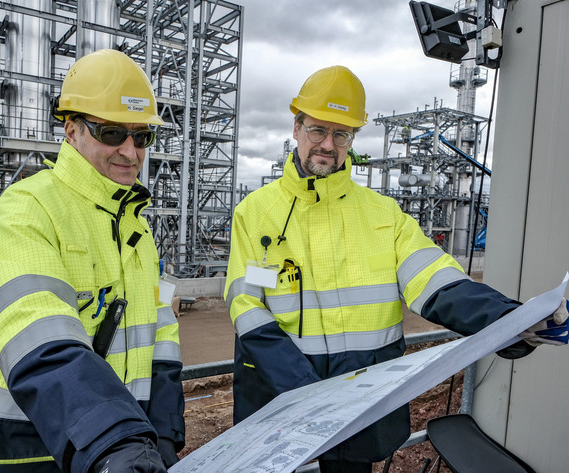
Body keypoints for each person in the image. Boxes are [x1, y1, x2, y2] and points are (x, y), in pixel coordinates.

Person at [223, 65, 569, 473]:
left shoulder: (382, 214)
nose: (328, 144)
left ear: (352, 139)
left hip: (360, 393)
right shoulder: (255, 212)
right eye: (318, 130)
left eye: (341, 134)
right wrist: (301, 385)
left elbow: (435, 278)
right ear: (297, 128)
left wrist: (511, 319)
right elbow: (246, 304)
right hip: (283, 386)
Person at [0, 49, 184, 473]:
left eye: (142, 136)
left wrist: (160, 430)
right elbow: (41, 337)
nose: (131, 151)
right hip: (16, 450)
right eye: (112, 133)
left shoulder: (137, 231)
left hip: (109, 445)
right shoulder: (28, 209)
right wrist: (117, 442)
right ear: (72, 131)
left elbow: (160, 332)